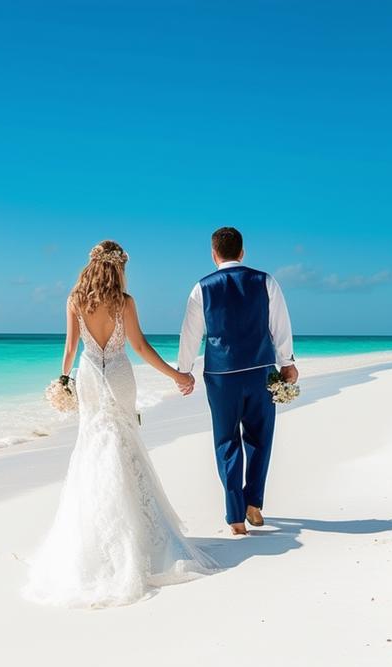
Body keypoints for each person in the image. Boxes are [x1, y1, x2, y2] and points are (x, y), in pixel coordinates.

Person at [23, 240, 217, 609]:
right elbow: (140, 347)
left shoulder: (75, 299)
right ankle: (139, 537)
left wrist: (63, 381)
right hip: (120, 375)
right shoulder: (124, 302)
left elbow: (69, 349)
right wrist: (176, 375)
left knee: (94, 444)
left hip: (90, 377)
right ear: (120, 267)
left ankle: (96, 537)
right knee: (122, 442)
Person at [175, 227, 297, 536]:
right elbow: (280, 326)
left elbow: (190, 334)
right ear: (242, 252)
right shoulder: (265, 281)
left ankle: (235, 518)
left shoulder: (202, 287)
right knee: (260, 437)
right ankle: (253, 502)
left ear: (214, 254)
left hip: (220, 375)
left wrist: (184, 370)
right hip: (260, 370)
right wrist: (288, 364)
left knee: (226, 441)